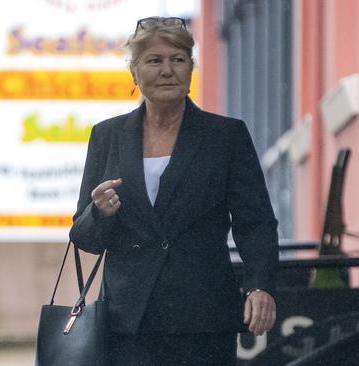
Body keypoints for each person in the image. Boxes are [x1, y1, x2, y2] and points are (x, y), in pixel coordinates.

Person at [69, 17, 278, 365]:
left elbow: (255, 222)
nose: (167, 70)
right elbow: (84, 236)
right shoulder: (107, 136)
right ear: (135, 73)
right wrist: (99, 212)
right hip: (127, 324)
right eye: (154, 60)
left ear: (190, 69)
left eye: (178, 59)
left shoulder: (225, 136)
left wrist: (260, 285)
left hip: (204, 320)